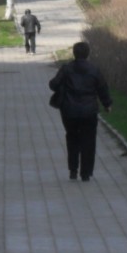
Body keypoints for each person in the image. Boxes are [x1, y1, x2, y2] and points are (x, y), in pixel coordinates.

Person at [49, 41, 112, 181]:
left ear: (74, 53)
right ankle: (86, 173)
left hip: (69, 111)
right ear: (88, 54)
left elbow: (53, 85)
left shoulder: (66, 69)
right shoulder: (94, 70)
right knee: (89, 141)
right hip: (89, 111)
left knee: (72, 138)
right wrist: (107, 104)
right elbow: (102, 88)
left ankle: (73, 170)